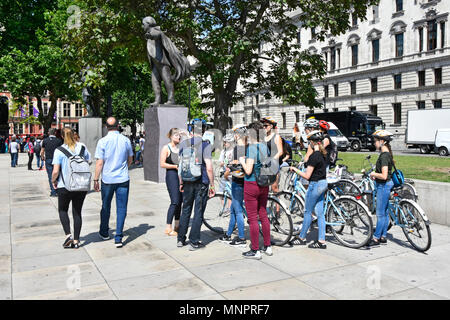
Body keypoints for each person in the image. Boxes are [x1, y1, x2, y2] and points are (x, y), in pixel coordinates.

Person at [94, 117, 134, 248]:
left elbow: (100, 162)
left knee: (105, 206)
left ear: (106, 127)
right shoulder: (126, 140)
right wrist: (124, 168)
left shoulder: (102, 141)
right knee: (121, 208)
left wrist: (95, 178)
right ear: (118, 126)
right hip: (122, 178)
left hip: (107, 179)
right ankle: (118, 237)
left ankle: (104, 232)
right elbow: (130, 159)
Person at [177, 119, 215, 251]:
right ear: (204, 130)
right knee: (198, 211)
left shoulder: (184, 144)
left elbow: (180, 165)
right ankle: (194, 240)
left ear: (192, 129)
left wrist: (181, 182)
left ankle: (181, 239)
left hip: (187, 180)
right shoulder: (205, 145)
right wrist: (212, 184)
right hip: (201, 181)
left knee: (186, 209)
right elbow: (209, 167)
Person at [51, 128, 91, 249]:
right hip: (80, 185)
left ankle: (68, 235)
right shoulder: (82, 147)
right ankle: (77, 240)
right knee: (77, 212)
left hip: (64, 185)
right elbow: (88, 161)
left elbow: (56, 171)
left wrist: (53, 181)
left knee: (63, 210)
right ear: (74, 135)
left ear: (62, 137)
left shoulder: (59, 150)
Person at [289, 130, 328, 249]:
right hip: (323, 183)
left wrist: (295, 170)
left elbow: (307, 176)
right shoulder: (323, 154)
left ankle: (301, 237)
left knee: (307, 212)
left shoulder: (314, 156)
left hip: (315, 185)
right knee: (320, 214)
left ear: (311, 142)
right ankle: (322, 241)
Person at [239, 121, 272, 259]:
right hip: (264, 183)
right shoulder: (265, 147)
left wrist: (242, 160)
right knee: (263, 214)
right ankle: (267, 246)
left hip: (252, 183)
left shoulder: (251, 148)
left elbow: (248, 170)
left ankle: (255, 249)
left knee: (252, 218)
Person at [219, 125, 248, 247]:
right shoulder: (248, 147)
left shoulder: (238, 149)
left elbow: (234, 167)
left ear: (237, 135)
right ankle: (228, 234)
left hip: (237, 182)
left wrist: (226, 174)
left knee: (238, 211)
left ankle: (241, 237)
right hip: (245, 181)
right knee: (233, 210)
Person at [366, 130, 395, 247]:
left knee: (380, 214)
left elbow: (383, 175)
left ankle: (376, 238)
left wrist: (373, 174)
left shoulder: (384, 156)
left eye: (375, 141)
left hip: (383, 186)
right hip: (387, 184)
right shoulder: (388, 154)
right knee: (385, 212)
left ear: (382, 142)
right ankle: (383, 236)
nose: (374, 143)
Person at [160, 128, 182, 236]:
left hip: (180, 176)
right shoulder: (166, 148)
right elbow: (162, 164)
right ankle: (168, 227)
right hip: (171, 175)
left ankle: (177, 226)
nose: (179, 137)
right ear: (171, 136)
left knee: (180, 201)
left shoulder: (180, 148)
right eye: (176, 135)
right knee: (175, 201)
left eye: (179, 136)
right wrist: (174, 166)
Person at [260, 117, 283, 195]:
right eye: (263, 126)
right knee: (264, 187)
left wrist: (272, 160)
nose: (264, 127)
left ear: (271, 126)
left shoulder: (276, 137)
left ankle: (279, 206)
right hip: (264, 165)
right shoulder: (263, 137)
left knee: (274, 187)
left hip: (273, 165)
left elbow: (280, 152)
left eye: (266, 126)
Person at [41, 128, 63, 197]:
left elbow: (42, 150)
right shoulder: (59, 141)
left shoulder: (45, 141)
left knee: (50, 175)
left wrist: (42, 157)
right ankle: (58, 190)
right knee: (58, 174)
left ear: (48, 133)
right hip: (57, 160)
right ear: (55, 133)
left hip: (49, 159)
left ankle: (53, 191)